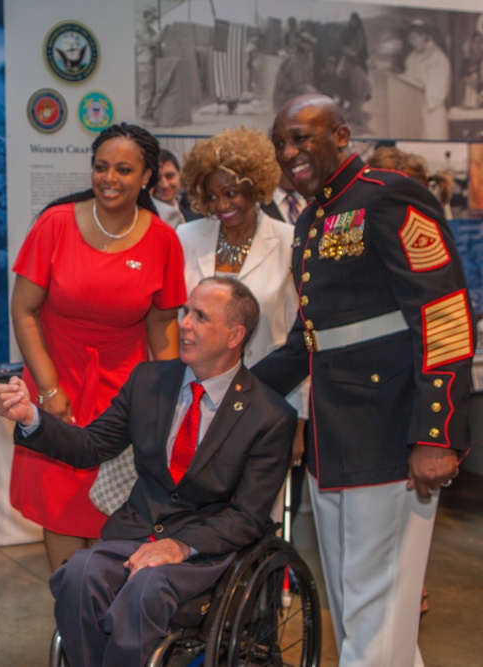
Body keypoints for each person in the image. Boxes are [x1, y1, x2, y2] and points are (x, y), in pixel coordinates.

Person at [0, 277, 296, 666]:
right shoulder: (150, 381)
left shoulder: (269, 415)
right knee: (78, 574)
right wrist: (31, 418)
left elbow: (247, 517)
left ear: (235, 335)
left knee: (146, 588)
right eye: (185, 311)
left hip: (204, 554)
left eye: (201, 317)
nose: (185, 324)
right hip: (134, 534)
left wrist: (180, 546)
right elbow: (91, 446)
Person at [255, 94, 473, 667]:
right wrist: (239, 387)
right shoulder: (313, 217)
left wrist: (436, 433)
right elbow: (311, 336)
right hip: (336, 437)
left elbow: (444, 314)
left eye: (303, 137)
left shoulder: (389, 195)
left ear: (342, 135)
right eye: (281, 142)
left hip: (393, 434)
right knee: (360, 606)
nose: (290, 152)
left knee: (380, 607)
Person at [10, 122, 186, 571]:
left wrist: (166, 404)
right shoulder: (55, 224)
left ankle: (106, 620)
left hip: (123, 394)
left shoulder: (164, 240)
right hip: (56, 381)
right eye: (101, 167)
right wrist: (48, 390)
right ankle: (70, 623)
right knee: (61, 505)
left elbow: (162, 328)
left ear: (147, 176)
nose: (110, 178)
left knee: (118, 506)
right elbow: (24, 310)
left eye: (124, 170)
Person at [177, 126, 307, 466]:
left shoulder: (289, 240)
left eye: (231, 192)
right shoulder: (187, 237)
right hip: (195, 400)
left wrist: (299, 422)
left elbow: (300, 338)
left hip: (268, 401)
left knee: (257, 509)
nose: (221, 205)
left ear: (255, 186)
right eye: (211, 196)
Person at [403, 19, 451, 140]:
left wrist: (420, 82)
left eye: (414, 38)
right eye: (410, 39)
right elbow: (408, 79)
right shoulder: (411, 58)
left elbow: (439, 87)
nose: (412, 42)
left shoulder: (438, 57)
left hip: (432, 112)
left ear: (424, 35)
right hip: (415, 111)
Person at [152, 149, 198, 227]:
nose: (164, 185)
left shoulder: (195, 219)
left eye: (169, 176)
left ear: (180, 174)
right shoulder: (140, 223)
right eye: (157, 178)